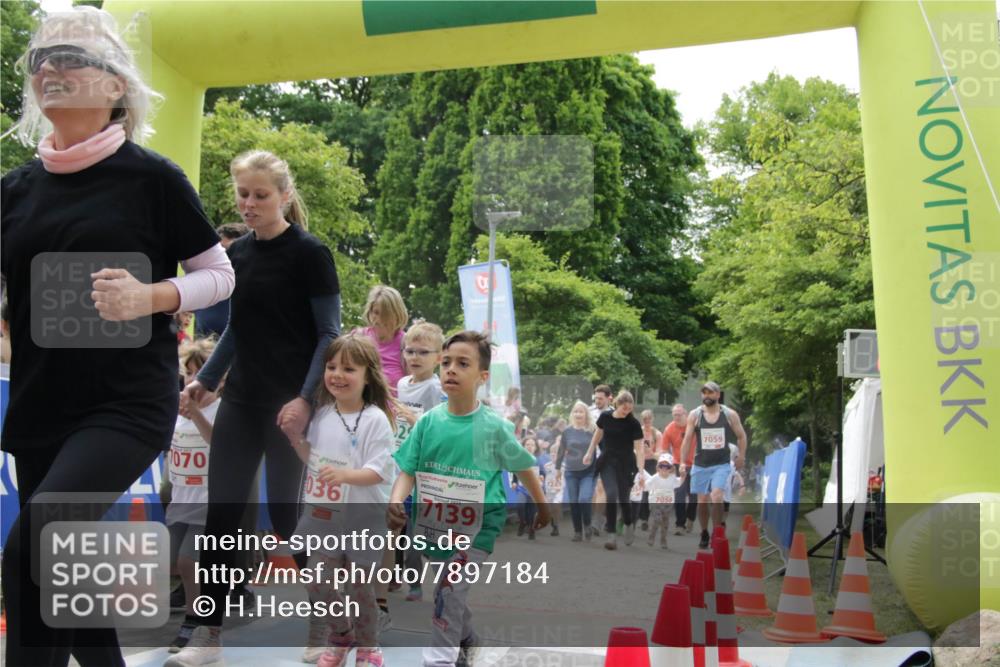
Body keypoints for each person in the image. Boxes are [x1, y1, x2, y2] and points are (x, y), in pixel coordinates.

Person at [0, 8, 233, 666]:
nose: (49, 69)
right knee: (69, 571)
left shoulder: (151, 178)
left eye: (69, 58)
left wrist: (151, 296)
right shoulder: (12, 191)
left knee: (36, 543)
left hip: (125, 404)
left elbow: (220, 274)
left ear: (114, 86)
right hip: (41, 406)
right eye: (39, 61)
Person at [168, 150, 340, 667]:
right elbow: (237, 331)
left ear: (284, 196)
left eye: (260, 195)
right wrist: (205, 379)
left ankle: (328, 624)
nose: (249, 204)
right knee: (220, 518)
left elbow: (328, 334)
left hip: (290, 407)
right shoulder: (237, 254)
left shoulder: (311, 253)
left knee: (291, 520)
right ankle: (207, 633)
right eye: (243, 194)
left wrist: (305, 399)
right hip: (241, 401)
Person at [388, 330, 549, 667]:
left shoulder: (493, 427)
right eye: (446, 362)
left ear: (482, 377)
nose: (451, 370)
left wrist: (543, 506)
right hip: (432, 526)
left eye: (463, 363)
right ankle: (469, 639)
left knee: (448, 589)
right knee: (450, 591)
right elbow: (408, 468)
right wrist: (396, 500)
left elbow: (524, 467)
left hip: (476, 530)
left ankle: (440, 660)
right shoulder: (428, 423)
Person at [291, 334, 395, 667]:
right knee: (315, 577)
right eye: (332, 366)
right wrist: (294, 438)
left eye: (348, 368)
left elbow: (379, 471)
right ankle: (340, 634)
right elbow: (314, 459)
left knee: (360, 587)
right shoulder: (321, 415)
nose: (337, 374)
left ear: (369, 376)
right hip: (324, 515)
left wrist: (346, 476)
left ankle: (368, 646)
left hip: (364, 518)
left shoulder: (376, 419)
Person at [166, 340, 222, 653]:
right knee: (172, 560)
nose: (192, 381)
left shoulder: (221, 408)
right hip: (181, 498)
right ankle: (201, 610)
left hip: (208, 500)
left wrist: (196, 413)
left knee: (190, 561)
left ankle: (194, 621)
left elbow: (218, 440)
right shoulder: (179, 409)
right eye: (188, 374)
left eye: (199, 374)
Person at [394, 320, 445, 604]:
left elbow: (440, 428)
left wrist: (417, 422)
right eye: (410, 351)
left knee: (422, 530)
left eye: (423, 352)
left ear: (438, 358)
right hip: (403, 462)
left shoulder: (435, 389)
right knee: (402, 526)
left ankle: (430, 582)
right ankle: (404, 579)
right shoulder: (402, 383)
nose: (414, 357)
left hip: (428, 469)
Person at [679, 382, 748, 549]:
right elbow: (687, 439)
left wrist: (741, 456)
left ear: (718, 395)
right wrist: (682, 462)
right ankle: (704, 532)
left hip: (721, 464)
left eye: (710, 393)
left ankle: (717, 533)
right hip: (701, 463)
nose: (707, 396)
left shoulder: (729, 414)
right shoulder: (695, 415)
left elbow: (741, 436)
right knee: (702, 500)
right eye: (704, 393)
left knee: (717, 496)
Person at [583, 390, 644, 550]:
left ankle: (629, 524)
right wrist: (589, 452)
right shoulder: (605, 417)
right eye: (625, 408)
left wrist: (642, 471)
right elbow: (598, 435)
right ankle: (611, 535)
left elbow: (639, 448)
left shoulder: (634, 424)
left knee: (624, 499)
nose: (627, 412)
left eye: (630, 409)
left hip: (626, 463)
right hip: (608, 460)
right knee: (611, 494)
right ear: (617, 404)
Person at [192, 222, 249, 338]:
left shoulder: (254, 291)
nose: (225, 258)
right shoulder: (203, 287)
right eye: (219, 252)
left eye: (230, 251)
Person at [555, 401, 597, 542]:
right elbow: (561, 451)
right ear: (572, 414)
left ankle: (587, 524)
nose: (578, 414)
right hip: (571, 471)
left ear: (586, 414)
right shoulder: (567, 431)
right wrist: (557, 469)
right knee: (574, 502)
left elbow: (602, 448)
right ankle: (578, 531)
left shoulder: (592, 430)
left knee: (584, 499)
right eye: (576, 411)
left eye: (581, 411)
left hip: (588, 471)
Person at [357, 285, 408, 396]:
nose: (379, 319)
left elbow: (415, 383)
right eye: (375, 312)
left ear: (397, 314)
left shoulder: (406, 342)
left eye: (386, 314)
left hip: (395, 410)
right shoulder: (358, 338)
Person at [661, 403, 697, 534]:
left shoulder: (694, 426)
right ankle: (680, 524)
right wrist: (667, 464)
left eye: (679, 414)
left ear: (685, 414)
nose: (676, 417)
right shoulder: (669, 429)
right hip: (678, 464)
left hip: (695, 464)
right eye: (674, 415)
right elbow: (664, 449)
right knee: (680, 494)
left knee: (694, 495)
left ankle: (691, 518)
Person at [588, 384, 613, 536]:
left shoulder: (614, 414)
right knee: (592, 491)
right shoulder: (588, 412)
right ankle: (594, 519)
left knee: (600, 488)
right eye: (596, 398)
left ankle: (596, 522)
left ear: (609, 398)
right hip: (589, 455)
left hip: (606, 455)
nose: (597, 401)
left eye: (600, 398)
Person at [646, 454, 682, 550]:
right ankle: (652, 536)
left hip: (668, 504)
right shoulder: (655, 478)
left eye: (667, 467)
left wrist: (683, 475)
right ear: (658, 467)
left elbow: (679, 482)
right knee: (657, 519)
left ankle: (663, 539)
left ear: (671, 468)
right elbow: (646, 486)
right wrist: (642, 484)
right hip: (655, 502)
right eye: (662, 466)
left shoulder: (672, 478)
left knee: (665, 522)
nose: (664, 469)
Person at [638, 409, 662, 530]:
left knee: (647, 491)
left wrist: (650, 451)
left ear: (652, 419)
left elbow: (659, 455)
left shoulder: (656, 434)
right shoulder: (637, 432)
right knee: (637, 490)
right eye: (644, 419)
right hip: (638, 463)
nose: (647, 421)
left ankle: (644, 519)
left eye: (649, 419)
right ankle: (637, 517)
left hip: (651, 463)